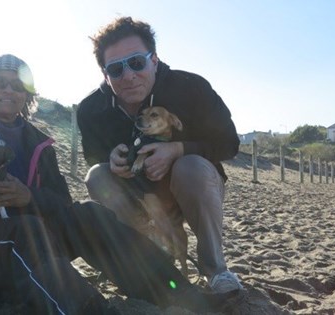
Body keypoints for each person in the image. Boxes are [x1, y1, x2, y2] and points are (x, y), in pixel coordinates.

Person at [0, 54, 235, 314]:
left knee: (89, 215)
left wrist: (28, 196)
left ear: (27, 94)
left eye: (16, 84)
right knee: (23, 233)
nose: (8, 89)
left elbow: (61, 205)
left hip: (23, 242)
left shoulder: (38, 141)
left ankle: (178, 293)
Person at [77, 17, 244, 295]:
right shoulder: (91, 109)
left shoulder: (191, 88)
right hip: (138, 196)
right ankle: (150, 262)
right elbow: (91, 156)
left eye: (137, 62)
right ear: (105, 74)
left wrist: (178, 150)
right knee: (97, 176)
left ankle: (216, 272)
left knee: (189, 167)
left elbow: (229, 144)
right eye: (116, 69)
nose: (128, 75)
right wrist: (110, 159)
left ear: (154, 59)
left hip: (193, 188)